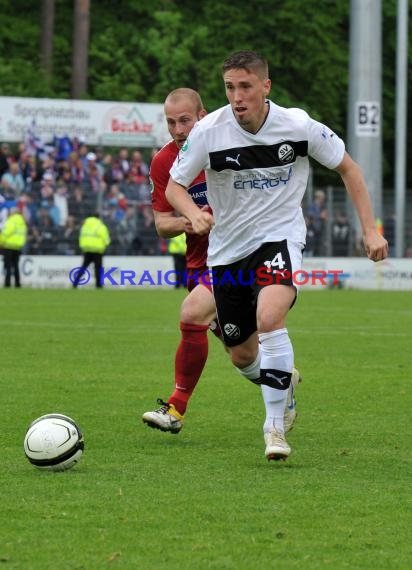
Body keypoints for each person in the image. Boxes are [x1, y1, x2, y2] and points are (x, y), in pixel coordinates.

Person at [165, 51, 388, 461]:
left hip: (279, 238)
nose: (237, 97)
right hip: (227, 252)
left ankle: (273, 430)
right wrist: (193, 212)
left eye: (245, 86)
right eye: (230, 87)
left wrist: (370, 229)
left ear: (265, 87)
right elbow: (174, 186)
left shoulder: (298, 126)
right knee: (242, 354)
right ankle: (283, 389)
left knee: (270, 318)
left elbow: (350, 169)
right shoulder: (209, 131)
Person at [142, 87, 300, 436]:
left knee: (191, 314)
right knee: (242, 355)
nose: (178, 129)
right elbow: (161, 223)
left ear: (202, 116)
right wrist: (190, 219)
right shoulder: (164, 161)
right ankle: (283, 381)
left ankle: (176, 407)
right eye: (171, 122)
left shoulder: (225, 143)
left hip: (237, 258)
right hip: (199, 264)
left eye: (185, 120)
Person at [72, 214, 110, 288]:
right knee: (98, 268)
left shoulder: (85, 226)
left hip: (87, 249)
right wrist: (105, 245)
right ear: (98, 218)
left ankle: (75, 283)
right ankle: (98, 285)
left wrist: (83, 247)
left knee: (83, 267)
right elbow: (106, 239)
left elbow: (81, 237)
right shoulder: (100, 226)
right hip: (97, 250)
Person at [0, 207, 27, 287]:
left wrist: (1, 242)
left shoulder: (11, 221)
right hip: (18, 247)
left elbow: (5, 233)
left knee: (7, 266)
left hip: (9, 246)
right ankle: (17, 283)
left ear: (13, 212)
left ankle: (7, 284)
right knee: (16, 266)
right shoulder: (22, 222)